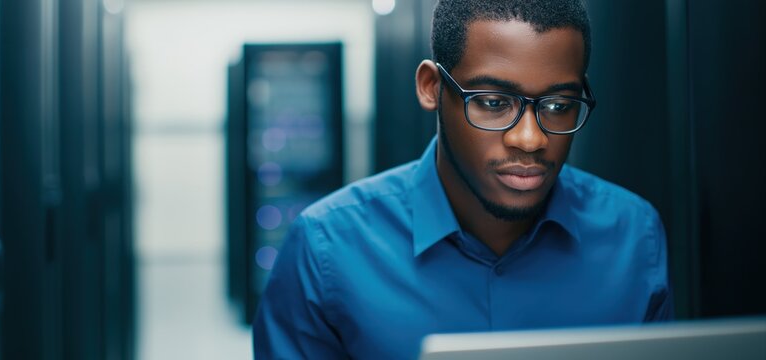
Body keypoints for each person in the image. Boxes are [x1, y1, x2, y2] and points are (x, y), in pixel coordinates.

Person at [253, 0, 673, 358]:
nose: (530, 139)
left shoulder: (633, 235)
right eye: (493, 102)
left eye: (559, 104)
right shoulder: (327, 248)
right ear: (431, 87)